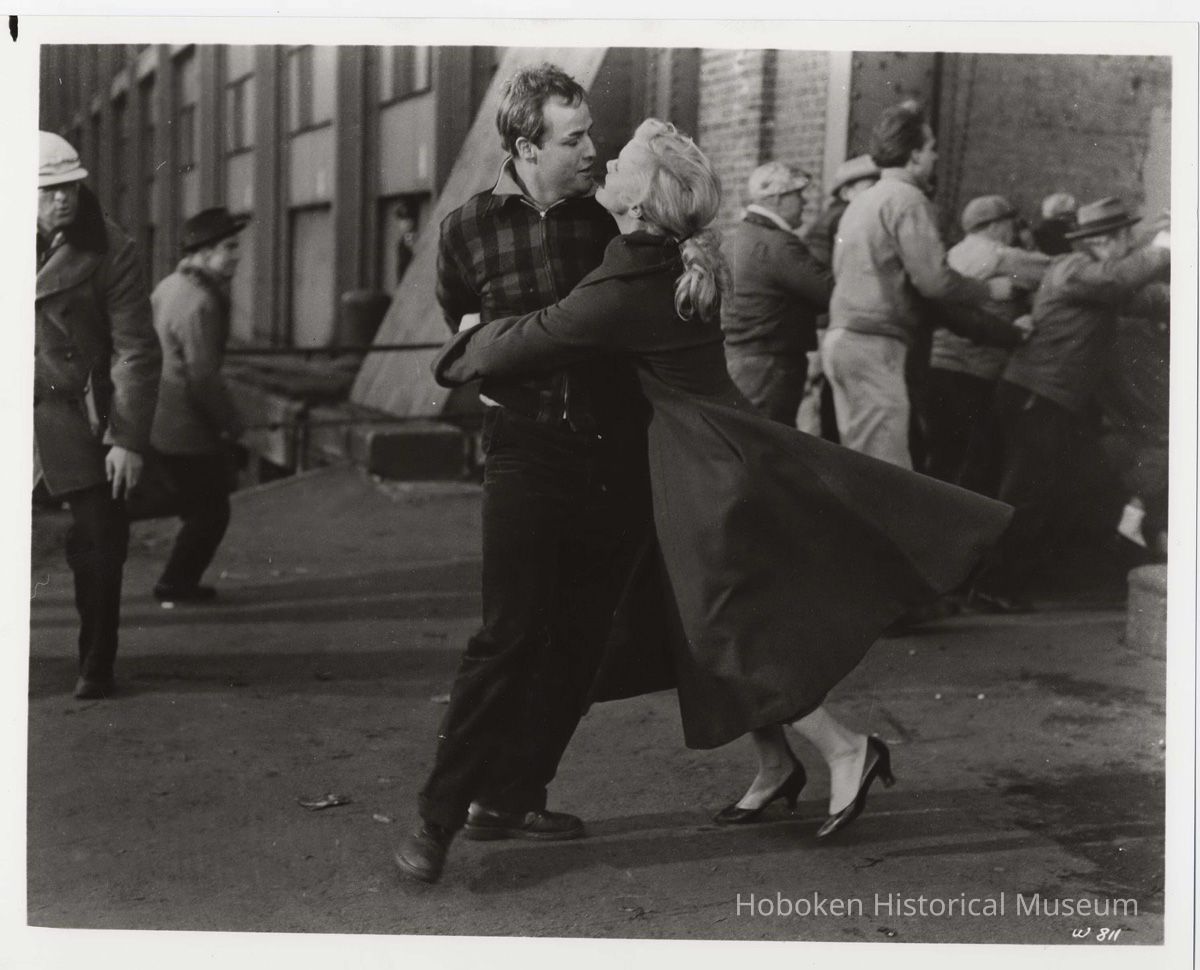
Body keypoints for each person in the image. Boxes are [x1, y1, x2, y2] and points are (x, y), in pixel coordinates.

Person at [433, 119, 1011, 845]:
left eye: (620, 162)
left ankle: (844, 748)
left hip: (704, 473)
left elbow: (531, 338)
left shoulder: (629, 278)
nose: (602, 162)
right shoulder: (660, 254)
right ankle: (774, 766)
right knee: (696, 629)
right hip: (706, 463)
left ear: (640, 198)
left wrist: (459, 351)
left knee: (725, 632)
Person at [395, 64, 646, 884]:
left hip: (611, 451)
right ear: (526, 144)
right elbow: (462, 323)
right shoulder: (466, 228)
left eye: (591, 135)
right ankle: (437, 819)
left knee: (580, 635)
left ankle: (511, 796)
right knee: (507, 633)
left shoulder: (607, 222)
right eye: (574, 139)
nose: (593, 151)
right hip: (526, 449)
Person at [964, 197, 1170, 612]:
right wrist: (1165, 248)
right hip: (1037, 397)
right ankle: (990, 586)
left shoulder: (1093, 279)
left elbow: (1143, 298)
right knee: (1028, 492)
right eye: (1125, 238)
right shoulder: (1073, 270)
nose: (1129, 245)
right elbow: (1119, 281)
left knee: (1075, 483)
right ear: (1105, 241)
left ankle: (1047, 577)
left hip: (1049, 398)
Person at [824, 102, 1023, 469]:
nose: (936, 158)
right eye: (931, 149)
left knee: (858, 461)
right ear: (914, 156)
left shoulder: (863, 202)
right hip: (876, 346)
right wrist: (990, 290)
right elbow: (934, 282)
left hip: (843, 342)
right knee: (886, 470)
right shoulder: (908, 200)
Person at [34, 131, 161, 699]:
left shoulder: (110, 247)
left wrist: (127, 438)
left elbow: (135, 347)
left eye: (69, 186)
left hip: (75, 410)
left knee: (99, 540)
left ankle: (96, 665)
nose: (62, 199)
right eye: (46, 189)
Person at [147, 207, 248, 603]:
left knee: (196, 504)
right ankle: (174, 583)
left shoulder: (170, 286)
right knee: (211, 512)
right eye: (229, 247)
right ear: (203, 253)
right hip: (184, 425)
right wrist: (231, 424)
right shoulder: (199, 303)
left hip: (159, 415)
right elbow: (203, 377)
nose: (237, 254)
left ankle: (177, 580)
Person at [924, 196, 1049, 484]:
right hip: (976, 373)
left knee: (942, 459)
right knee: (980, 461)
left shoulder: (954, 254)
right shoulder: (1001, 255)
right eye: (1011, 224)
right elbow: (1056, 272)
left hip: (937, 365)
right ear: (995, 226)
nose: (1013, 231)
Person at [720, 161, 832, 426]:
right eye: (798, 194)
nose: (804, 202)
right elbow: (827, 291)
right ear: (779, 198)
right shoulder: (778, 243)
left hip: (741, 360)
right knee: (768, 447)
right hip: (770, 367)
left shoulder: (739, 237)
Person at [799, 154, 880, 442]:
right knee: (822, 396)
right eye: (870, 185)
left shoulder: (832, 219)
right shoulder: (844, 219)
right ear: (847, 191)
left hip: (824, 320)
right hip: (828, 321)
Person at [1031, 192, 1078, 257]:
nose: (1074, 220)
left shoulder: (1040, 230)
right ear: (1061, 215)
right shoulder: (1060, 228)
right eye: (1070, 215)